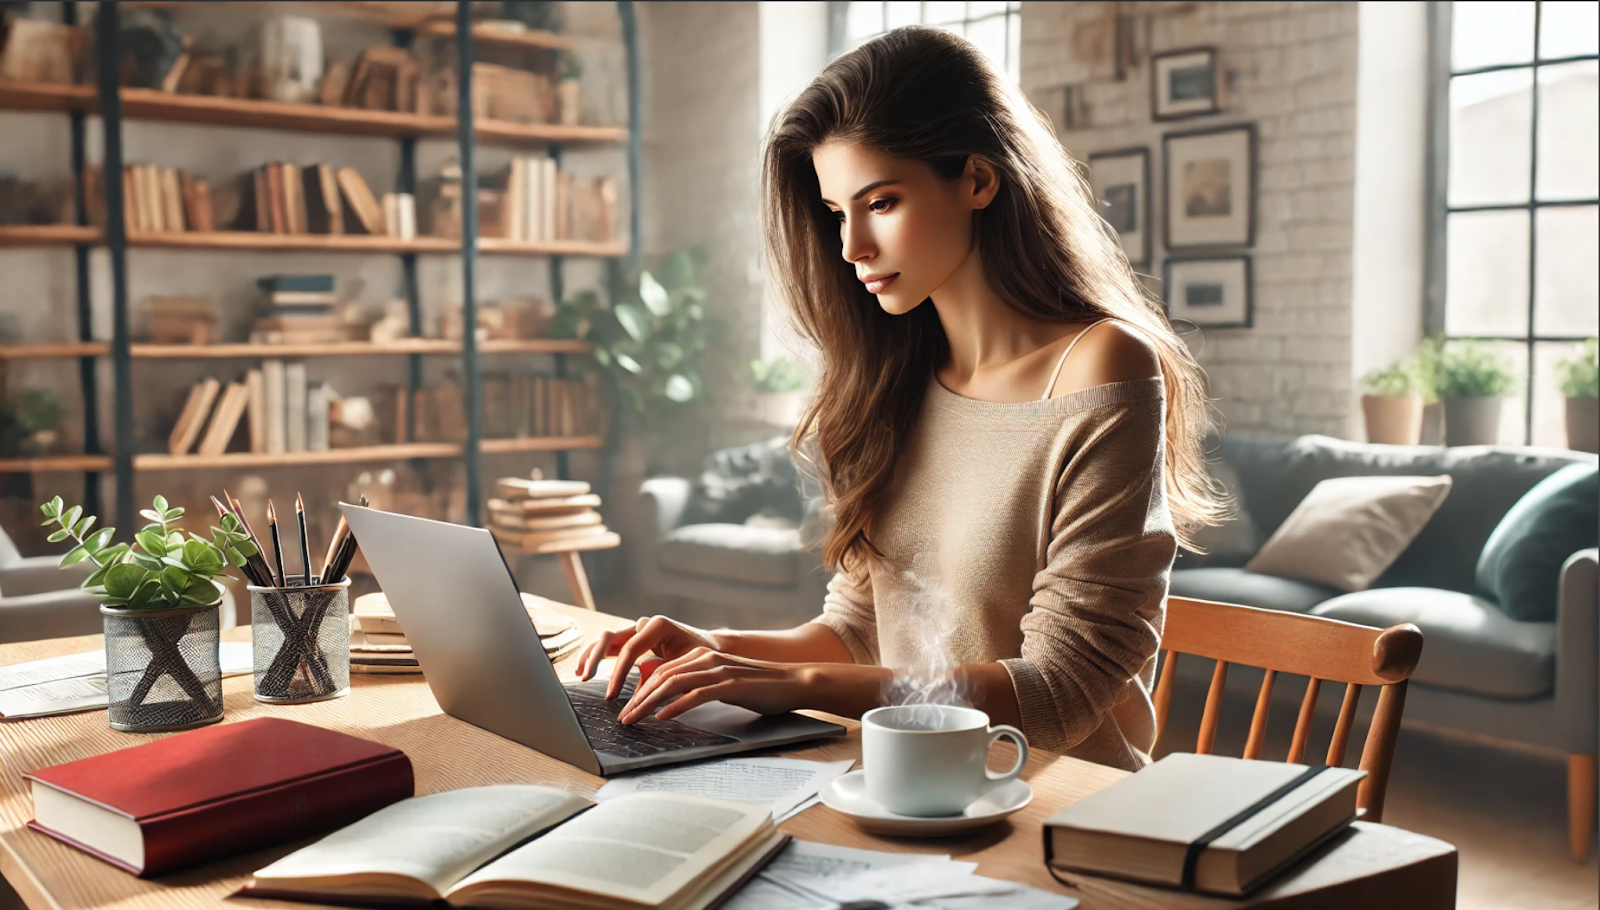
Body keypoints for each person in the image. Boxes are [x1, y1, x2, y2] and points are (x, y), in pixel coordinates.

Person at [576, 26, 1224, 771]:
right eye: (836, 212)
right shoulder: (892, 379)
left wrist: (796, 684)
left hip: (1051, 803)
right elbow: (860, 632)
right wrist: (717, 650)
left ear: (978, 180)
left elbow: (1062, 691)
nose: (852, 246)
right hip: (904, 783)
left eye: (880, 201)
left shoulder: (1100, 366)